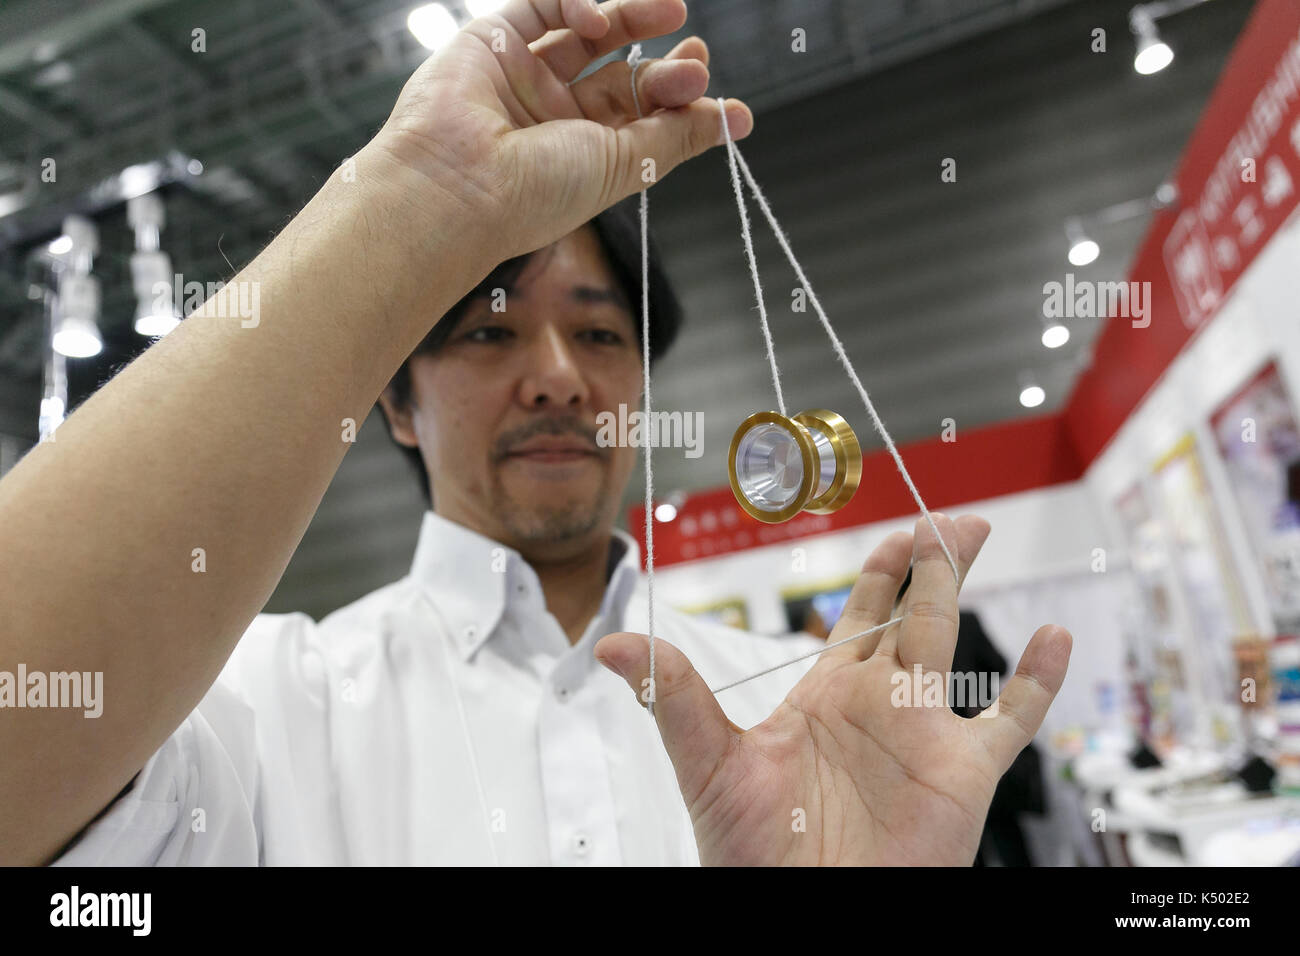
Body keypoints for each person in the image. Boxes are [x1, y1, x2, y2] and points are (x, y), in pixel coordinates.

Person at [0, 0, 1072, 866]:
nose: (558, 378)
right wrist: (416, 196)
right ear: (397, 402)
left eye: (600, 333)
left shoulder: (793, 698)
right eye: (488, 333)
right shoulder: (267, 703)